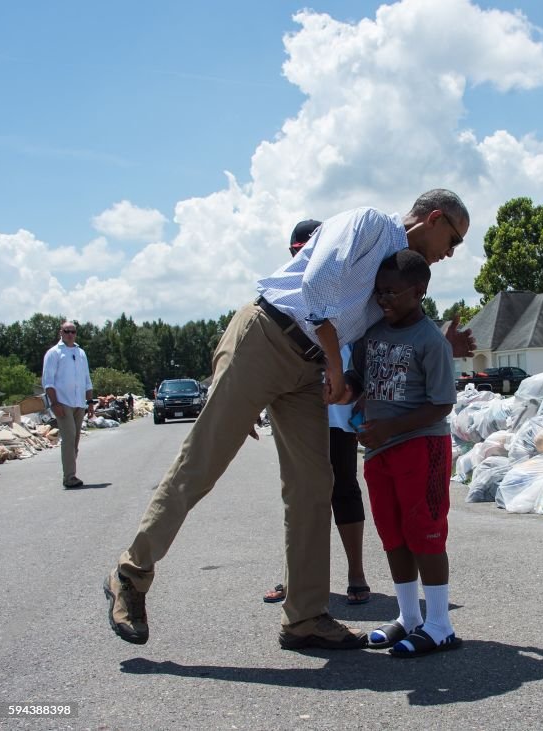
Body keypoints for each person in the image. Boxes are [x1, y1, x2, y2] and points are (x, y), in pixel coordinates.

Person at [103, 189, 473, 650]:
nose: (450, 254)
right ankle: (132, 573)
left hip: (309, 367)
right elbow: (317, 285)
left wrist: (362, 368)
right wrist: (336, 364)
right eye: (453, 239)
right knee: (203, 462)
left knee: (314, 485)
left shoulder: (396, 269)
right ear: (434, 218)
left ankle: (305, 617)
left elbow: (383, 330)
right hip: (267, 336)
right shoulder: (370, 223)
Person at [342, 250, 461, 657]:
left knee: (425, 532)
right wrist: (347, 390)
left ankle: (440, 624)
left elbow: (442, 403)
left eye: (392, 292)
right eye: (379, 293)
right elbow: (359, 376)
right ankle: (409, 618)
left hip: (421, 446)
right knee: (393, 535)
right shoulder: (371, 333)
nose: (383, 300)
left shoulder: (430, 341)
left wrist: (390, 427)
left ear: (419, 291)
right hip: (379, 453)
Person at [263, 219, 370, 606]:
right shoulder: (285, 293)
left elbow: (366, 345)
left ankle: (356, 573)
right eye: (297, 252)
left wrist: (363, 396)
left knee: (344, 487)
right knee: (300, 494)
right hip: (295, 409)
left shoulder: (350, 289)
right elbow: (266, 355)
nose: (303, 258)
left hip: (338, 412)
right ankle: (296, 577)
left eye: (308, 250)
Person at [42, 321, 95, 488]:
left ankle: (71, 472)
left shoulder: (81, 353)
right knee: (69, 438)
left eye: (73, 331)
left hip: (79, 402)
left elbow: (87, 380)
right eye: (67, 331)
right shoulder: (54, 353)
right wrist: (54, 403)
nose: (70, 334)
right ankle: (69, 477)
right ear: (61, 332)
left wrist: (90, 402)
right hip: (62, 402)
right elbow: (48, 382)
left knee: (76, 440)